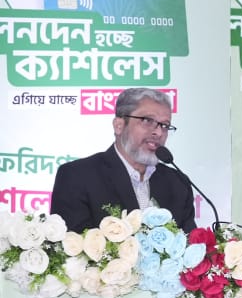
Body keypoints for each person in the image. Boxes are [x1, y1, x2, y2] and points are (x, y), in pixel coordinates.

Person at [50, 88, 196, 233]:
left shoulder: (178, 183)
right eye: (147, 120)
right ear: (119, 126)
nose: (158, 132)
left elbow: (190, 241)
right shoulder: (78, 177)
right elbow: (71, 243)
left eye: (164, 125)